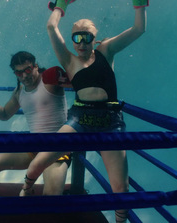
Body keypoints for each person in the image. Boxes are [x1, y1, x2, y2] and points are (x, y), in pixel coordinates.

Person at [19, 1, 148, 222]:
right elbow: (51, 28)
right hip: (79, 120)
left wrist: (140, 4)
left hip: (110, 122)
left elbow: (139, 29)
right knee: (38, 163)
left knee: (121, 188)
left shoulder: (106, 50)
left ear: (94, 38)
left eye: (86, 37)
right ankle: (26, 188)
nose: (81, 43)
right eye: (76, 37)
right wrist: (60, 6)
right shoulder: (68, 60)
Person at [0, 51, 71, 223]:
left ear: (35, 66)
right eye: (19, 72)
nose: (24, 75)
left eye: (27, 70)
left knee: (52, 198)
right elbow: (4, 115)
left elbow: (81, 84)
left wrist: (76, 71)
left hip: (58, 149)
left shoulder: (49, 80)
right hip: (34, 148)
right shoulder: (19, 92)